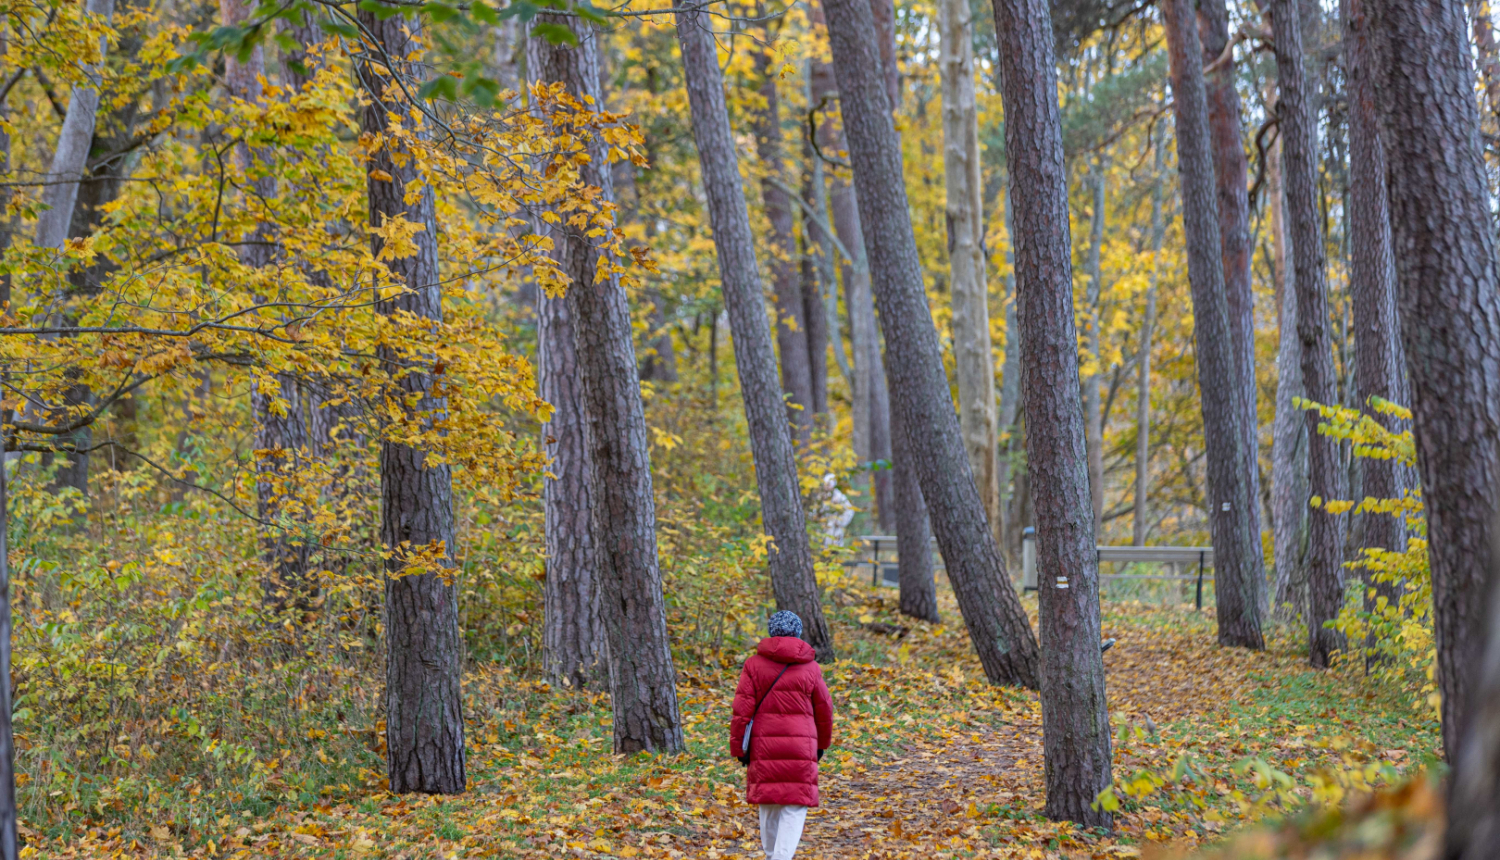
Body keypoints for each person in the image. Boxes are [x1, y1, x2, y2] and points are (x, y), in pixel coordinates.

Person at [729, 611, 835, 860]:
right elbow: (824, 710)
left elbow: (741, 710)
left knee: (768, 800)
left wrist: (738, 748)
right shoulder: (811, 667)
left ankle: (771, 854)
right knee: (795, 804)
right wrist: (822, 744)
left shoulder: (753, 665)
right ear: (798, 633)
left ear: (771, 632)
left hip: (763, 744)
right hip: (801, 744)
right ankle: (781, 856)